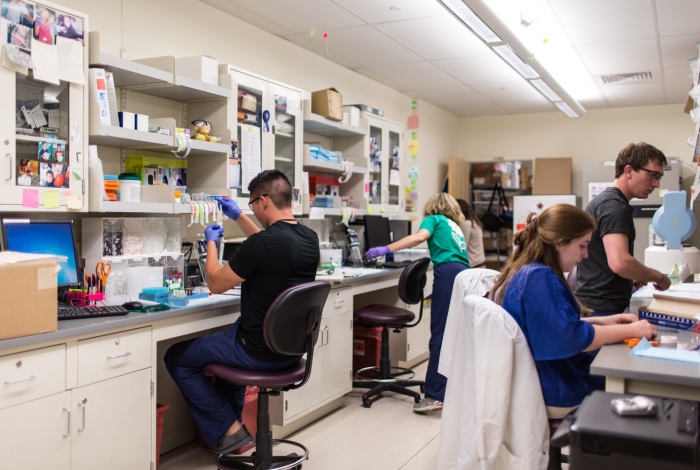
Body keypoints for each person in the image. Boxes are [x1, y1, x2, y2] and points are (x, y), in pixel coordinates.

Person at [164, 170, 319, 455]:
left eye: (251, 205)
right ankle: (232, 432)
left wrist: (209, 241)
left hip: (255, 351)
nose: (252, 211)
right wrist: (238, 216)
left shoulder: (262, 244)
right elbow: (271, 244)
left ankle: (230, 430)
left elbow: (216, 283)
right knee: (224, 347)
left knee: (176, 357)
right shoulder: (309, 238)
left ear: (263, 201)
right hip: (291, 352)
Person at [490, 204, 655, 410]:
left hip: (548, 378)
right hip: (558, 386)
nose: (586, 255)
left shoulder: (529, 271)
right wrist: (630, 330)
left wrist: (602, 321)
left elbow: (552, 324)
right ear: (560, 243)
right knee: (637, 386)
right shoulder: (541, 278)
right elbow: (568, 337)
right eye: (582, 245)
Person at [365, 192, 469, 413]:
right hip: (463, 276)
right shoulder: (453, 226)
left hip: (448, 274)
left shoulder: (434, 218)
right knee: (454, 335)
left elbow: (419, 237)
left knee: (440, 335)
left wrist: (386, 249)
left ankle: (434, 396)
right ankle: (451, 390)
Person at [577, 142, 671, 316]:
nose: (656, 184)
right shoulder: (613, 206)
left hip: (600, 303)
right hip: (602, 307)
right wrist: (659, 277)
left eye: (659, 177)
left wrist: (631, 278)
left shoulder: (610, 203)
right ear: (628, 171)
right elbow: (620, 262)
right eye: (652, 175)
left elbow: (606, 260)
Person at [456, 199, 486, 268]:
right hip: (480, 263)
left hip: (473, 265)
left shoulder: (466, 224)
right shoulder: (475, 222)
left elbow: (462, 247)